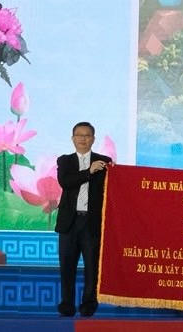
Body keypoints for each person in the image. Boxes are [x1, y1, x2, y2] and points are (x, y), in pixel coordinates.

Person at [55, 122, 112, 317]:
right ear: (73, 139)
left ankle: (88, 305)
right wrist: (89, 171)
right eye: (79, 135)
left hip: (92, 222)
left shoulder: (105, 162)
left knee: (92, 268)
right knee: (67, 267)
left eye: (87, 135)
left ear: (93, 139)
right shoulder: (65, 161)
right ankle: (67, 305)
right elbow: (65, 182)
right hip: (69, 223)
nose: (83, 139)